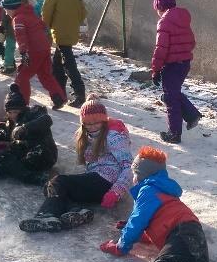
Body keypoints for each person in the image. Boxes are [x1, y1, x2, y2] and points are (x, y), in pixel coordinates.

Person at [19, 95, 133, 233]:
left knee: (59, 182)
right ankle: (78, 212)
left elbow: (128, 166)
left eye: (96, 122)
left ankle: (47, 215)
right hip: (96, 180)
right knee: (52, 188)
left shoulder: (113, 136)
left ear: (104, 120)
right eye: (88, 123)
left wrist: (116, 192)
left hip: (106, 182)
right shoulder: (86, 136)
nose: (92, 126)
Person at [150, 0, 203, 144]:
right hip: (184, 64)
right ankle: (192, 115)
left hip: (171, 66)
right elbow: (192, 42)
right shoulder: (183, 19)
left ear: (160, 7)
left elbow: (160, 49)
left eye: (157, 10)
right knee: (173, 93)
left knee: (170, 98)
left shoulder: (164, 22)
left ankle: (174, 133)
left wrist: (155, 70)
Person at [2, 0, 67, 110]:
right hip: (44, 49)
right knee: (45, 75)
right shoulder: (31, 14)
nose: (6, 13)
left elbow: (21, 36)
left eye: (6, 10)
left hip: (33, 51)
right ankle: (59, 98)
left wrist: (23, 52)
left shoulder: (18, 19)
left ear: (11, 8)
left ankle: (22, 103)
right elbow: (43, 27)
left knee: (22, 76)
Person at [0, 83, 58, 185]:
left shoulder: (33, 113)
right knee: (2, 157)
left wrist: (25, 128)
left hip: (43, 153)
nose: (12, 115)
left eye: (15, 111)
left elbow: (47, 120)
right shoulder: (10, 123)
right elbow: (7, 136)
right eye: (9, 112)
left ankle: (30, 177)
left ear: (22, 109)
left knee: (23, 161)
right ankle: (16, 171)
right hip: (25, 153)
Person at [41, 0, 88, 107]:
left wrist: (46, 27)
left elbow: (46, 14)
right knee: (57, 66)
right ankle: (60, 96)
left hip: (59, 33)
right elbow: (83, 13)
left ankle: (79, 94)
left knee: (68, 64)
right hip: (71, 32)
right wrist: (72, 22)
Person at [0, 0, 29, 75]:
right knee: (24, 46)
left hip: (11, 28)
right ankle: (27, 64)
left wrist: (2, 27)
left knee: (9, 47)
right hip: (24, 26)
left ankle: (9, 65)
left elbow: (4, 16)